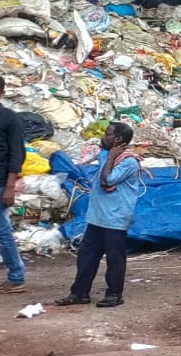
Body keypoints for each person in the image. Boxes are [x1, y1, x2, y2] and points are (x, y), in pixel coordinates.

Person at [53, 122, 141, 308]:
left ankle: (114, 294)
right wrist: (108, 155)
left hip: (115, 218)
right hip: (97, 217)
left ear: (117, 139)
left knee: (114, 259)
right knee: (87, 256)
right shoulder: (106, 155)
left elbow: (107, 180)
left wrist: (110, 157)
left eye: (107, 134)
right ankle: (79, 293)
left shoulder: (128, 162)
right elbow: (102, 159)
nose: (103, 137)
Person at [0, 74, 25, 294]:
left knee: (1, 232)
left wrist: (9, 187)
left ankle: (16, 278)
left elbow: (17, 155)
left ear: (1, 93)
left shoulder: (10, 119)